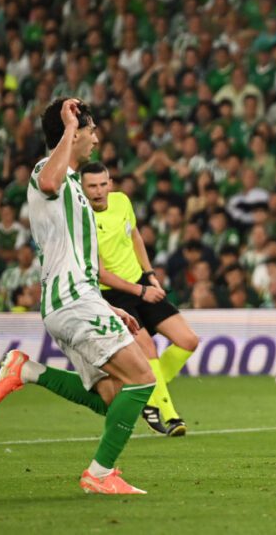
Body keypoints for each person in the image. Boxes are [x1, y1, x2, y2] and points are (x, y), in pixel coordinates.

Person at [0, 98, 155, 495]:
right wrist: (66, 128)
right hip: (72, 301)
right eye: (90, 131)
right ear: (73, 133)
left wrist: (107, 304)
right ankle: (98, 474)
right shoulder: (47, 173)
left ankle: (27, 370)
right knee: (143, 378)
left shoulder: (76, 188)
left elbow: (79, 261)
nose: (96, 139)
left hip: (78, 299)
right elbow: (48, 181)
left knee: (114, 398)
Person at [80, 161, 201, 437]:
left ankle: (146, 392)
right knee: (147, 347)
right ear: (82, 188)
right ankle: (169, 416)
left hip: (141, 282)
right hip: (114, 294)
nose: (98, 191)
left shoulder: (121, 201)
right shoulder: (83, 220)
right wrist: (141, 291)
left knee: (188, 341)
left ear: (109, 184)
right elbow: (100, 273)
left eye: (102, 184)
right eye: (92, 186)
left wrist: (149, 274)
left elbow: (134, 236)